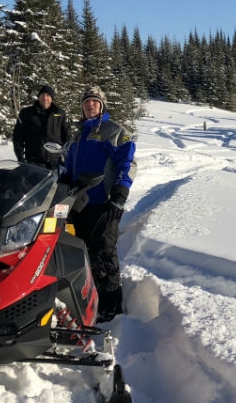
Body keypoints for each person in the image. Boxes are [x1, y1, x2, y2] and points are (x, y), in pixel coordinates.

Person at [62, 85, 135, 322]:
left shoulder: (113, 130)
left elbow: (127, 162)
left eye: (94, 102)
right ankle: (88, 299)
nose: (90, 105)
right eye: (86, 103)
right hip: (78, 205)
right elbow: (69, 167)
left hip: (105, 202)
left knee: (104, 252)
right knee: (81, 253)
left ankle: (111, 308)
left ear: (102, 105)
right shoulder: (77, 136)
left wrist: (120, 192)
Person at [12, 85, 71, 170]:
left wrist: (67, 157)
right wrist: (21, 159)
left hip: (56, 162)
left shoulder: (60, 113)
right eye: (42, 95)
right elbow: (18, 137)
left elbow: (67, 137)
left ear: (52, 98)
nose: (45, 98)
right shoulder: (27, 113)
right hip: (34, 162)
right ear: (38, 97)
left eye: (48, 95)